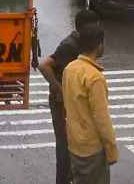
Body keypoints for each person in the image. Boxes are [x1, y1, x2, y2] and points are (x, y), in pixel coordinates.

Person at [37, 10, 102, 184]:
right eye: (96, 25)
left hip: (72, 104)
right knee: (65, 148)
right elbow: (44, 65)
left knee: (75, 145)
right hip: (62, 105)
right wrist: (59, 90)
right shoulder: (70, 45)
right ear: (85, 27)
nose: (99, 28)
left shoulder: (83, 43)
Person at [63, 25, 117, 184]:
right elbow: (102, 119)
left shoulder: (69, 69)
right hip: (92, 148)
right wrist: (112, 150)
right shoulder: (94, 78)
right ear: (99, 45)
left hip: (74, 143)